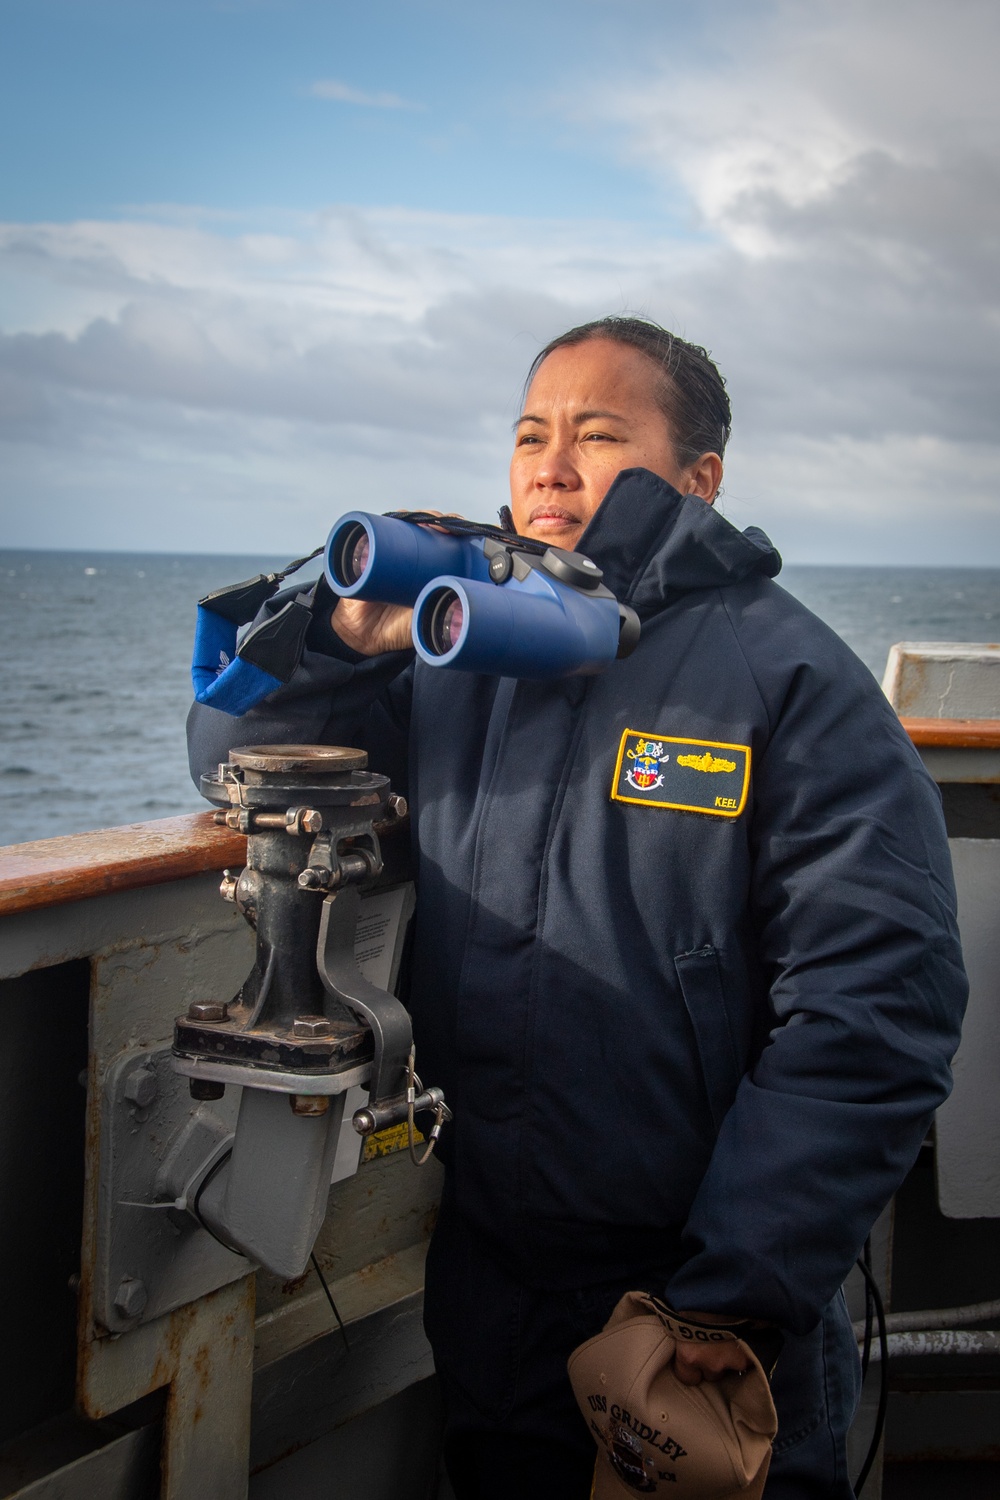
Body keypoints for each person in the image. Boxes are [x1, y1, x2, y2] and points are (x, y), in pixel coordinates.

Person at [188, 317, 967, 1498]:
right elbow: (242, 765)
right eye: (530, 435)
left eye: (600, 434)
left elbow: (879, 1003)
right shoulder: (462, 652)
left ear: (699, 479)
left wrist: (738, 1284)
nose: (550, 463)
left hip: (698, 1293)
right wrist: (351, 638)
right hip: (494, 1271)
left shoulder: (788, 681)